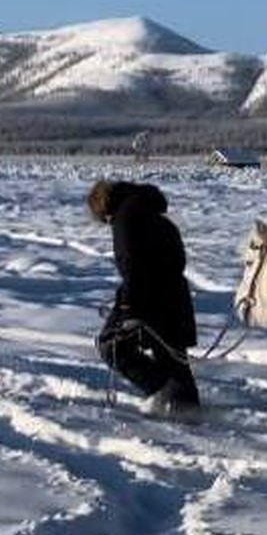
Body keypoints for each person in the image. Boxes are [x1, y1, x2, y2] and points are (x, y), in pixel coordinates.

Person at [87, 178, 200, 418]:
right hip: (175, 299)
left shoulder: (125, 218)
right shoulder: (153, 215)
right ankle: (189, 412)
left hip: (147, 301)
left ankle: (161, 390)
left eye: (104, 220)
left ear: (105, 208)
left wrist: (128, 308)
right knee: (173, 359)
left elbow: (132, 266)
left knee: (111, 346)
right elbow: (175, 261)